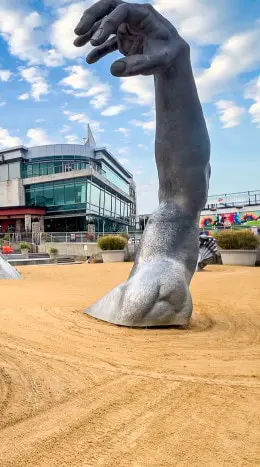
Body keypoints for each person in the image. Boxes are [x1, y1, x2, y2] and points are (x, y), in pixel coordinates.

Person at [75, 0, 211, 326]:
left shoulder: (156, 284)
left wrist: (173, 69)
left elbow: (180, 200)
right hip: (153, 275)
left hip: (152, 281)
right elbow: (181, 200)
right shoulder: (159, 267)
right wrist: (173, 69)